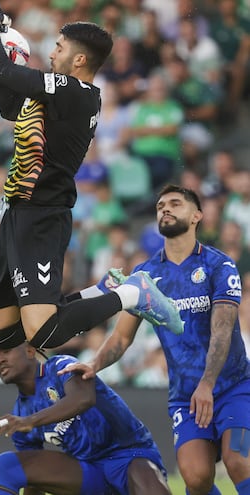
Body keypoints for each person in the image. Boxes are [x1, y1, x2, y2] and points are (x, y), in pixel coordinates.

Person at [0, 1, 183, 352]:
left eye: (59, 47)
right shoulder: (59, 94)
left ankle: (133, 293)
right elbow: (9, 104)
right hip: (18, 215)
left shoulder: (76, 93)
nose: (52, 53)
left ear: (80, 59)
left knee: (45, 334)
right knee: (0, 335)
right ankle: (99, 292)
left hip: (42, 215)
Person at [60, 184, 250, 495]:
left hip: (232, 386)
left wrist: (207, 384)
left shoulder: (219, 265)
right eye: (161, 205)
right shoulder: (144, 276)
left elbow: (222, 329)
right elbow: (121, 337)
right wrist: (95, 363)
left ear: (196, 216)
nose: (165, 209)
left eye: (176, 203)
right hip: (184, 395)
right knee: (195, 476)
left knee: (237, 459)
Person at [0, 341, 172, 495]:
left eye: (6, 351)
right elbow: (33, 480)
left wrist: (30, 421)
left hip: (130, 456)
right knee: (4, 466)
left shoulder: (61, 366)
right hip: (86, 470)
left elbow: (83, 399)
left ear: (30, 350)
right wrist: (26, 421)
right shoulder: (20, 414)